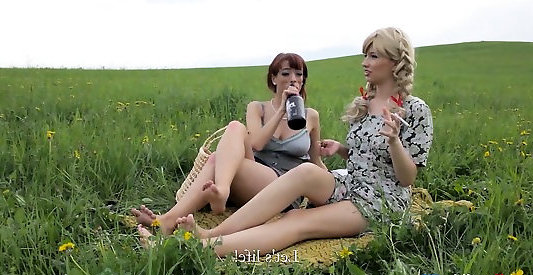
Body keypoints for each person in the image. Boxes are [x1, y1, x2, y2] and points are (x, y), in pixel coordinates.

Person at [156, 27, 433, 257]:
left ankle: (207, 246)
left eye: (373, 56)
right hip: (350, 183)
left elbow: (407, 178)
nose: (365, 62)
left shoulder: (414, 109)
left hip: (381, 201)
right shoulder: (365, 103)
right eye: (365, 55)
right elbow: (368, 159)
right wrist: (341, 150)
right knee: (305, 171)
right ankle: (213, 232)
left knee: (296, 219)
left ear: (395, 62)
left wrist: (394, 142)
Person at [132, 52, 327, 235]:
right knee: (234, 128)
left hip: (284, 187)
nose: (294, 78)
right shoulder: (257, 108)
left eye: (299, 74)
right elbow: (257, 144)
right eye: (286, 73)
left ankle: (184, 212)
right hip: (254, 176)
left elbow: (315, 160)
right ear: (274, 79)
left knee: (217, 160)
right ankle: (215, 195)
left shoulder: (311, 116)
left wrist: (332, 188)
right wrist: (281, 111)